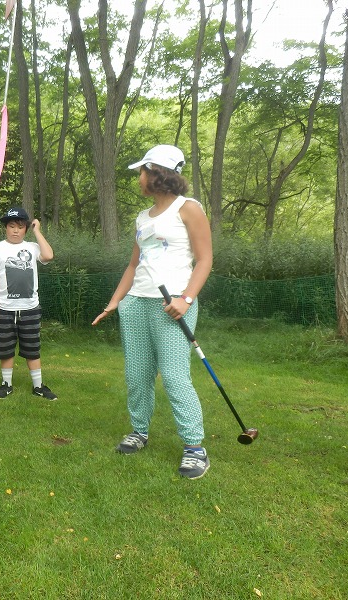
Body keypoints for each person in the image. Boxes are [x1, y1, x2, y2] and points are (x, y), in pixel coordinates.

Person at [92, 145, 213, 479]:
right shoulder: (143, 217)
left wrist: (186, 298)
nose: (139, 177)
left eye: (142, 171)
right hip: (137, 302)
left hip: (172, 304)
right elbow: (134, 264)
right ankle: (140, 430)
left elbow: (205, 259)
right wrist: (116, 301)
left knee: (174, 376)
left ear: (158, 173)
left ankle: (194, 447)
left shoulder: (188, 209)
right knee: (137, 375)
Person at [0, 206, 57, 401]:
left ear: (26, 228)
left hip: (30, 308)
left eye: (20, 226)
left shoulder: (33, 248)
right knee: (5, 348)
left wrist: (37, 231)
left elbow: (49, 256)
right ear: (5, 228)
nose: (16, 230)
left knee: (32, 348)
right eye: (11, 226)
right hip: (3, 308)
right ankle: (6, 385)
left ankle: (38, 386)